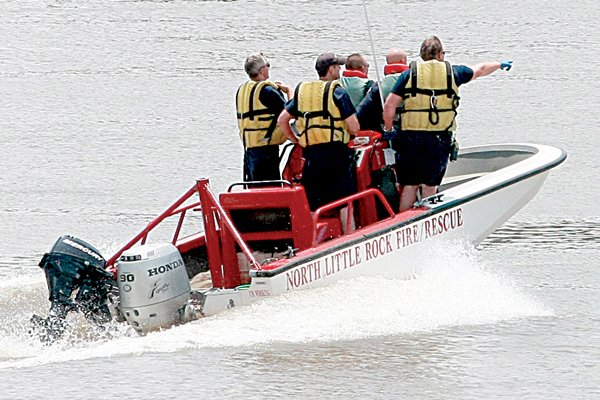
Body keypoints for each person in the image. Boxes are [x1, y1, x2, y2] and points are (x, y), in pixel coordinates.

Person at [382, 35, 513, 211]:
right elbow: (480, 69)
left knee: (410, 185)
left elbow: (389, 106)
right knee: (430, 185)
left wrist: (389, 130)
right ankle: (426, 220)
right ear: (441, 54)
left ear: (422, 55)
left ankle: (403, 222)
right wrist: (498, 64)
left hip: (410, 138)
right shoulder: (453, 72)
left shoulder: (410, 74)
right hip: (439, 138)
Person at [277, 53, 360, 211]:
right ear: (331, 69)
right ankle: (349, 231)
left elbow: (282, 120)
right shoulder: (337, 92)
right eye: (338, 67)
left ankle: (315, 232)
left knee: (313, 200)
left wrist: (295, 140)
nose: (340, 70)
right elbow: (354, 126)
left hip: (311, 156)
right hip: (336, 154)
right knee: (344, 200)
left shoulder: (304, 93)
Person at [236, 52, 291, 182]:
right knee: (270, 192)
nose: (269, 68)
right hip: (266, 152)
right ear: (262, 70)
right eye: (268, 65)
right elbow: (290, 112)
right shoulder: (267, 91)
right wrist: (289, 91)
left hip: (249, 151)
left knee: (254, 190)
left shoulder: (242, 90)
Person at [356, 48, 409, 131]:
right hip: (412, 131)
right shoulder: (415, 81)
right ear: (403, 61)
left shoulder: (379, 85)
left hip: (388, 131)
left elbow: (361, 112)